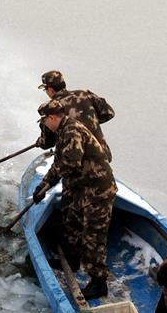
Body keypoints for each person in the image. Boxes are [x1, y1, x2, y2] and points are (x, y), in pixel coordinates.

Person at [31, 99, 117, 299]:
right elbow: (61, 161)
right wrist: (44, 184)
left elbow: (70, 162)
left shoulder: (72, 131)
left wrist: (47, 185)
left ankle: (98, 282)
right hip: (82, 188)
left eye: (44, 121)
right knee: (72, 222)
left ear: (52, 118)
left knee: (93, 236)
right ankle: (71, 260)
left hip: (97, 191)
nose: (44, 125)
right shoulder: (64, 130)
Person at [35, 70, 115, 162]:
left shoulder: (51, 109)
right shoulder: (85, 95)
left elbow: (47, 142)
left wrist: (40, 142)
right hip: (102, 154)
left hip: (78, 162)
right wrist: (92, 121)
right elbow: (109, 113)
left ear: (50, 89)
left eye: (45, 89)